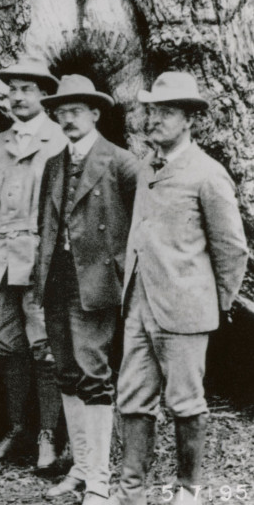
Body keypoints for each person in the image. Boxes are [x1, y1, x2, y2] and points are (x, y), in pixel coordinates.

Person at [109, 72, 248, 505]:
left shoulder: (207, 175)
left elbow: (232, 250)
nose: (155, 120)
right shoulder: (148, 166)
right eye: (151, 111)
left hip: (185, 311)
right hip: (139, 304)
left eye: (167, 112)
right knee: (132, 398)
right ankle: (131, 491)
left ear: (189, 119)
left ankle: (188, 492)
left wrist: (213, 304)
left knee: (186, 403)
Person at [36, 74, 139, 504]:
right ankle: (81, 468)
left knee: (94, 377)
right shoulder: (53, 164)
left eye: (76, 111)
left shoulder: (121, 163)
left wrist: (120, 278)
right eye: (61, 112)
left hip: (95, 285)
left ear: (95, 113)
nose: (68, 119)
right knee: (66, 374)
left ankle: (98, 480)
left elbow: (138, 231)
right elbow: (46, 228)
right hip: (57, 281)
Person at [0, 57, 66, 469]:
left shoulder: (60, 140)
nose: (18, 97)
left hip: (40, 263)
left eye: (27, 89)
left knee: (43, 348)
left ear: (44, 94)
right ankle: (16, 430)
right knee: (7, 346)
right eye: (12, 89)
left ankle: (47, 436)